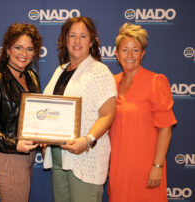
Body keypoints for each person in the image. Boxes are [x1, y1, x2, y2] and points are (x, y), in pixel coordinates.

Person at [43, 16, 117, 202]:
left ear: (91, 41)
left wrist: (88, 140)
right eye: (72, 35)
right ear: (65, 40)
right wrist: (43, 137)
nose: (77, 41)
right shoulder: (59, 71)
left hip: (85, 156)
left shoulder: (99, 71)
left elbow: (108, 114)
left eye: (83, 36)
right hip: (59, 155)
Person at [108, 23, 177, 202]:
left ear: (143, 54)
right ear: (116, 53)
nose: (130, 55)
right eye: (125, 50)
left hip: (146, 168)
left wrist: (157, 165)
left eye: (135, 50)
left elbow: (165, 130)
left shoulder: (156, 81)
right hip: (118, 168)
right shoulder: (110, 84)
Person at [0, 23, 42, 202]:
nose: (24, 54)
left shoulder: (31, 77)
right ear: (7, 49)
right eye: (18, 47)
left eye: (29, 49)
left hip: (28, 155)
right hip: (9, 157)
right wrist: (14, 144)